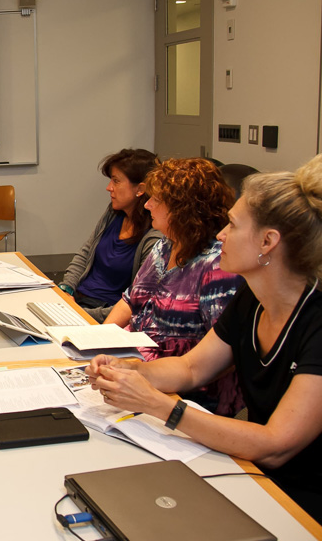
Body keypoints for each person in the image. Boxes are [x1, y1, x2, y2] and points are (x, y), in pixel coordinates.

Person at [88, 154, 322, 541]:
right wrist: (131, 369)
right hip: (255, 475)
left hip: (317, 511)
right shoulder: (252, 300)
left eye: (233, 225)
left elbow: (278, 444)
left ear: (268, 242)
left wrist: (159, 406)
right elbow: (192, 367)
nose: (221, 234)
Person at [103, 157, 243, 414]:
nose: (147, 205)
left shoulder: (218, 265)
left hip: (185, 395)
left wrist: (144, 378)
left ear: (183, 209)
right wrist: (98, 339)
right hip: (137, 369)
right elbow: (129, 298)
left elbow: (225, 358)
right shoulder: (164, 245)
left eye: (156, 200)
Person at [60, 148, 162, 322]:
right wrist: (65, 289)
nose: (109, 188)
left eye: (116, 181)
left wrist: (77, 313)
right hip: (77, 301)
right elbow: (86, 253)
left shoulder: (154, 238)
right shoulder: (114, 213)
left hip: (103, 315)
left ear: (140, 189)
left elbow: (134, 303)